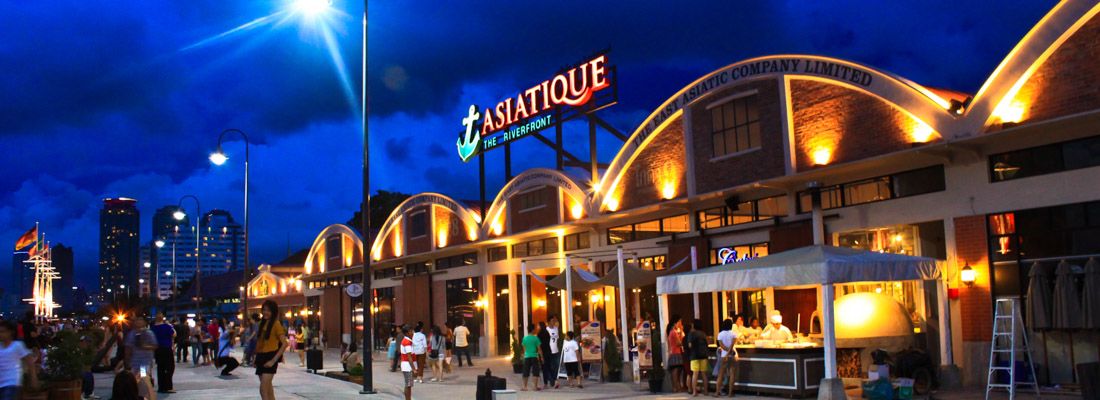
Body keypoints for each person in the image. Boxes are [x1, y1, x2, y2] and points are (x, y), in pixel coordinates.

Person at [255, 300, 289, 400]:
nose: (266, 312)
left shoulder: (276, 324)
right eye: (264, 310)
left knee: (263, 389)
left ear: (273, 312)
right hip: (261, 357)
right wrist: (255, 358)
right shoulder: (262, 323)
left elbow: (285, 343)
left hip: (270, 356)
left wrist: (273, 360)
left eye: (268, 310)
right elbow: (260, 342)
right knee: (268, 388)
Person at [0, 320, 36, 400]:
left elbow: (30, 361)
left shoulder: (17, 346)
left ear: (10, 332)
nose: (1, 334)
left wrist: (33, 377)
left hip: (12, 382)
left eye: (3, 332)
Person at [124, 317, 157, 400]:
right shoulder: (131, 334)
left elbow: (155, 345)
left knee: (143, 380)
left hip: (144, 363)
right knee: (134, 381)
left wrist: (144, 346)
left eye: (140, 322)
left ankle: (145, 396)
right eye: (137, 322)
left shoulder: (149, 333)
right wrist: (127, 360)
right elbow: (128, 348)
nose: (138, 325)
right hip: (134, 363)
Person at [150, 313, 176, 394]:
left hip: (157, 349)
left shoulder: (152, 328)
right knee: (170, 367)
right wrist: (171, 326)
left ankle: (161, 387)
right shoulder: (167, 326)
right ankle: (168, 386)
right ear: (162, 318)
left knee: (160, 368)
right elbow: (174, 334)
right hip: (166, 348)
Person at [714, 318, 739, 397]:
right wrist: (730, 352)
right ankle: (730, 393)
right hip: (732, 355)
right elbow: (732, 345)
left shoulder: (720, 334)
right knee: (732, 374)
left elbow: (721, 345)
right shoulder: (734, 334)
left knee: (720, 374)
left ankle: (717, 392)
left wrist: (726, 353)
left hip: (723, 356)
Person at [685, 319, 710, 397]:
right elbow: (707, 344)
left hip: (694, 356)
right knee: (704, 374)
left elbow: (689, 345)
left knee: (695, 374)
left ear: (694, 325)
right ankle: (706, 391)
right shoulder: (703, 334)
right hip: (703, 355)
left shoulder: (691, 334)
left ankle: (694, 392)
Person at [539, 318, 561, 389]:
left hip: (556, 351)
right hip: (549, 351)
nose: (553, 322)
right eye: (552, 321)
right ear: (548, 322)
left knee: (556, 367)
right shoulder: (546, 330)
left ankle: (554, 380)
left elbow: (557, 339)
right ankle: (552, 380)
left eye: (554, 321)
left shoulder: (556, 329)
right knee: (549, 367)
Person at [520, 324, 542, 391]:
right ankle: (535, 386)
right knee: (535, 371)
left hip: (527, 356)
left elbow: (524, 348)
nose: (535, 330)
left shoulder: (525, 338)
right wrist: (541, 357)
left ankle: (524, 386)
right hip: (534, 356)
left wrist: (524, 355)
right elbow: (539, 349)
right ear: (532, 330)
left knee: (526, 371)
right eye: (534, 329)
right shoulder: (536, 338)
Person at [666, 315, 684, 393]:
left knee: (675, 371)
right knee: (676, 371)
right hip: (676, 353)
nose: (680, 324)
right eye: (679, 322)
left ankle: (675, 387)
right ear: (675, 323)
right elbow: (678, 343)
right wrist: (681, 336)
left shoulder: (671, 332)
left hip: (673, 353)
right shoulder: (674, 332)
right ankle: (677, 387)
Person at [398, 325, 415, 400]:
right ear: (407, 333)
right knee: (408, 385)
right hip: (408, 366)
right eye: (411, 331)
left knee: (408, 385)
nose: (413, 333)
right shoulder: (407, 342)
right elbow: (409, 357)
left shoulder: (406, 341)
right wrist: (414, 368)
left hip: (406, 366)